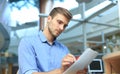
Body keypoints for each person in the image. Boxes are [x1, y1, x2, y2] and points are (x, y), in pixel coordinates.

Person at [18, 7, 87, 74]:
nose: (61, 28)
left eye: (65, 26)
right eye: (59, 22)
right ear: (49, 19)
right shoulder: (27, 43)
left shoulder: (64, 50)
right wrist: (60, 71)